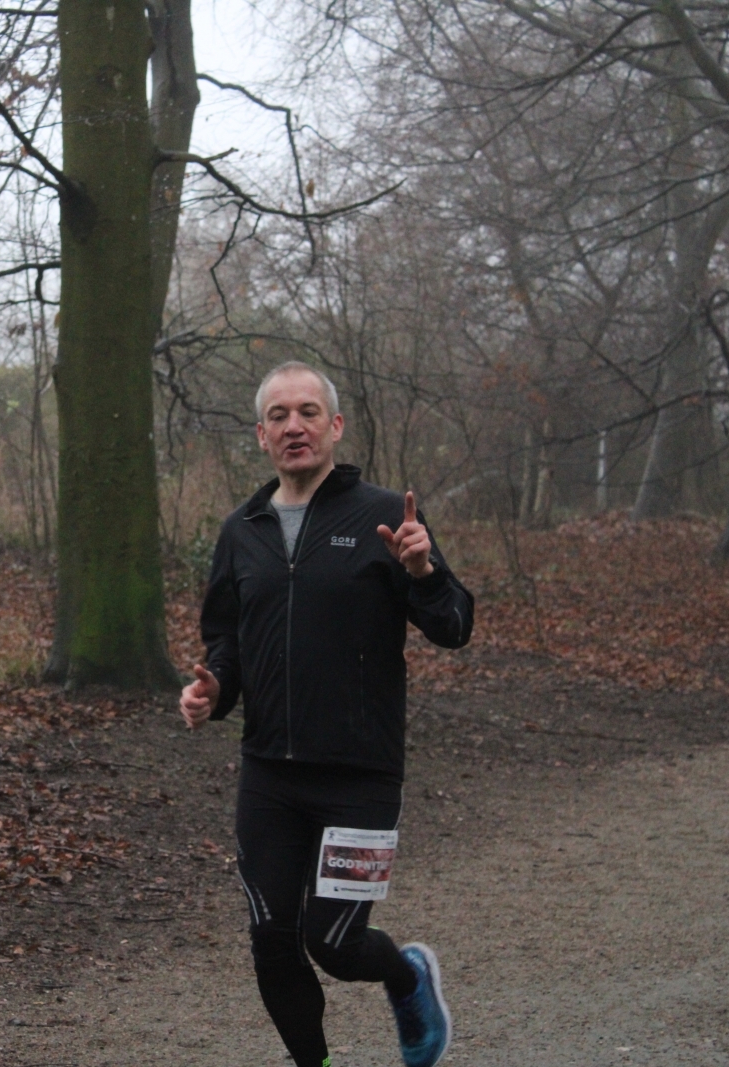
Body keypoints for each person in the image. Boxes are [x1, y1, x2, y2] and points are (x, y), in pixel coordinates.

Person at [179, 361, 473, 1067]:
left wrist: (424, 573)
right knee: (272, 939)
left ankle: (407, 976)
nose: (294, 426)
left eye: (308, 412)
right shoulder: (242, 530)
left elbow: (455, 625)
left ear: (335, 426)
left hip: (359, 773)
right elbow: (227, 640)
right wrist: (214, 688)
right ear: (261, 435)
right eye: (278, 415)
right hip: (270, 775)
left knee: (334, 944)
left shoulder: (384, 517)